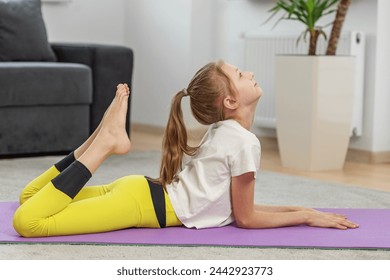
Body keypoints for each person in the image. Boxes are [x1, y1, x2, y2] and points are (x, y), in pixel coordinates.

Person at [13, 61, 359, 237]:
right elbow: (247, 218)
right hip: (138, 204)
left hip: (139, 192)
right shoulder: (243, 142)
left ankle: (98, 137)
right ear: (230, 100)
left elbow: (239, 207)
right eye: (241, 73)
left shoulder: (223, 132)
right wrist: (306, 216)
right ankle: (104, 143)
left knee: (31, 198)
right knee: (29, 222)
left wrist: (299, 207)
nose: (250, 72)